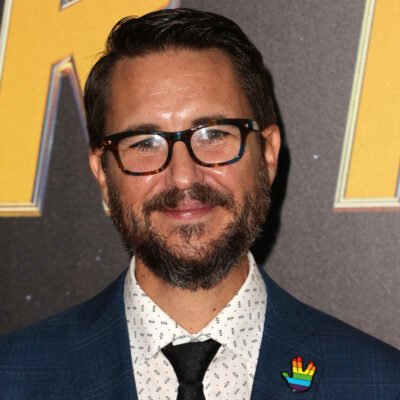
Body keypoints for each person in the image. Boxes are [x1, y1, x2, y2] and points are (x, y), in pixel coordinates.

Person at [1, 8, 399, 400]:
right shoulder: (11, 379)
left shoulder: (380, 383)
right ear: (103, 174)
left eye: (213, 134)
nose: (183, 176)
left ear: (268, 155)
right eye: (145, 143)